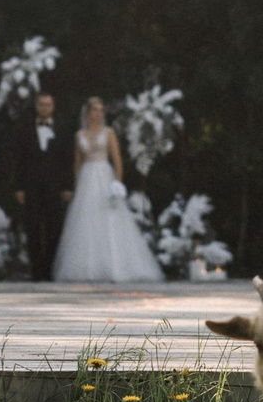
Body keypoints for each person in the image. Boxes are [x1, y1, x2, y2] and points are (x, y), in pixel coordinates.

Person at [52, 97, 164, 281]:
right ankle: (86, 267)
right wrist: (75, 185)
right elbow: (77, 163)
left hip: (104, 176)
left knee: (109, 218)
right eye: (95, 110)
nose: (98, 113)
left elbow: (117, 159)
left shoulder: (108, 132)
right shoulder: (79, 135)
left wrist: (117, 183)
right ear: (87, 113)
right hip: (86, 179)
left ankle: (116, 266)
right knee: (86, 219)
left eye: (101, 110)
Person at [15, 92, 74, 282]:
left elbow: (67, 160)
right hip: (31, 186)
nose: (44, 108)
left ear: (53, 107)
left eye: (48, 105)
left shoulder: (62, 129)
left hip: (54, 187)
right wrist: (20, 187)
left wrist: (67, 187)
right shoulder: (25, 129)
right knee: (32, 227)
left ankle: (49, 270)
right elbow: (19, 160)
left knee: (53, 228)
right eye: (41, 104)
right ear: (36, 106)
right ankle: (36, 271)